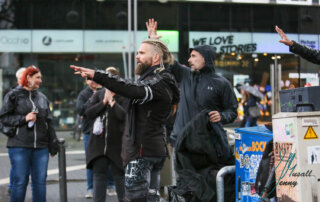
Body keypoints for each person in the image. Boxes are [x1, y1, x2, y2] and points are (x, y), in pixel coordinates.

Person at [70, 38, 179, 202]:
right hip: (149, 149)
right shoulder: (158, 80)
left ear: (156, 58)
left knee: (137, 198)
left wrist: (97, 75)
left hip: (143, 152)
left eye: (142, 53)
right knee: (149, 198)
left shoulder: (158, 82)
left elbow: (131, 89)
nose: (137, 56)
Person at [0, 65, 59, 202]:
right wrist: (24, 118)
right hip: (19, 146)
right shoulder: (13, 95)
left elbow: (49, 122)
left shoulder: (42, 97)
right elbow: (3, 118)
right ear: (28, 78)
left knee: (40, 183)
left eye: (41, 78)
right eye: (38, 77)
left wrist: (53, 144)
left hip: (41, 148)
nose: (40, 81)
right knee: (20, 182)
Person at [85, 67, 127, 202]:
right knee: (99, 177)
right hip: (98, 146)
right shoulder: (97, 95)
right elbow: (89, 113)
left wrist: (112, 103)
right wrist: (103, 102)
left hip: (117, 146)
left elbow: (125, 117)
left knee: (120, 177)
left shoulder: (123, 96)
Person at [76, 78, 100, 198]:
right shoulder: (84, 94)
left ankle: (110, 185)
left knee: (109, 159)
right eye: (91, 80)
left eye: (95, 80)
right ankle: (90, 188)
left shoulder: (104, 91)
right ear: (86, 81)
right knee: (90, 161)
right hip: (89, 131)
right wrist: (92, 98)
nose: (94, 82)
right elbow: (80, 110)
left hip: (104, 131)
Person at [7, 67, 26, 194]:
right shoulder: (13, 94)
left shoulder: (35, 93)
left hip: (30, 138)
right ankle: (12, 186)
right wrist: (10, 131)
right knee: (17, 165)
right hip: (17, 137)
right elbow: (5, 117)